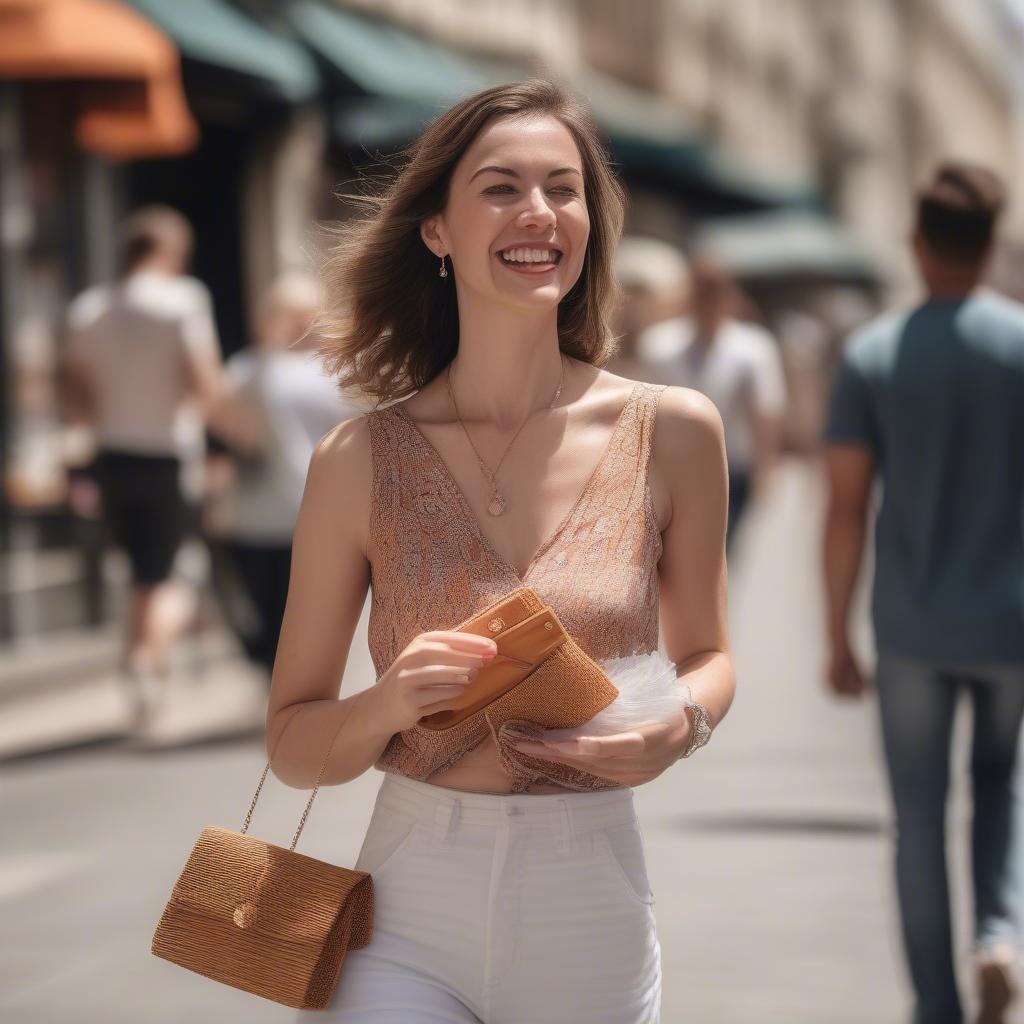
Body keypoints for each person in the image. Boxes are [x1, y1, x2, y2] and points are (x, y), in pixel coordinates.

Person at [264, 79, 735, 1022]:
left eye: (564, 189)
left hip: (590, 893)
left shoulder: (674, 431)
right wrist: (388, 702)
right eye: (500, 187)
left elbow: (710, 656)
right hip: (406, 896)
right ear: (436, 229)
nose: (539, 212)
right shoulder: (358, 459)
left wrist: (678, 727)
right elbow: (293, 740)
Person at [823, 161, 1024, 1024]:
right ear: (991, 245)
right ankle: (997, 934)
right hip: (1012, 623)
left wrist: (836, 633)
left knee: (916, 813)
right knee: (1001, 785)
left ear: (916, 244)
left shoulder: (871, 354)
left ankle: (936, 1008)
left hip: (909, 624)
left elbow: (842, 509)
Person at [63, 204, 225, 728]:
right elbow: (205, 384)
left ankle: (142, 666)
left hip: (109, 454)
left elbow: (77, 393)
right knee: (172, 572)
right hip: (166, 452)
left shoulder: (87, 310)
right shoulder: (183, 301)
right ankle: (143, 661)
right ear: (170, 251)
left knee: (139, 572)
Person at [209, 271, 358, 680]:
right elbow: (226, 429)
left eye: (307, 312)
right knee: (268, 615)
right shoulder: (248, 369)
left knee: (312, 617)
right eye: (288, 313)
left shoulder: (338, 368)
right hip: (257, 514)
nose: (299, 322)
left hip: (321, 513)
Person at [637, 258, 787, 548]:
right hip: (673, 465)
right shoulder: (660, 345)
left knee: (718, 548)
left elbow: (766, 411)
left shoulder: (753, 348)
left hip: (733, 466)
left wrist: (766, 468)